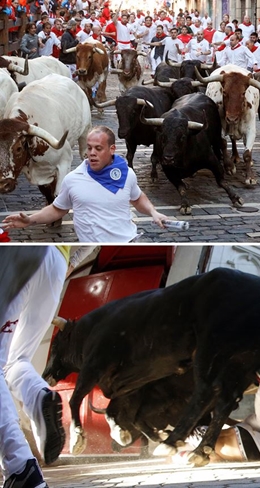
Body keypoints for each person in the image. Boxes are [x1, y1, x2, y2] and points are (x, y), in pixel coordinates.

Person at [0, 246, 91, 487]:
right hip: (56, 262)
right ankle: (38, 395)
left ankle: (20, 467)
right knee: (15, 360)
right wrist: (64, 267)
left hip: (12, 255)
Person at [2, 126, 168, 242]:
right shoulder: (73, 179)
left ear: (112, 150)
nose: (92, 153)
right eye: (89, 148)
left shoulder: (127, 174)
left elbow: (138, 198)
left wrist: (153, 212)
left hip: (129, 241)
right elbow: (58, 208)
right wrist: (30, 220)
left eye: (98, 148)